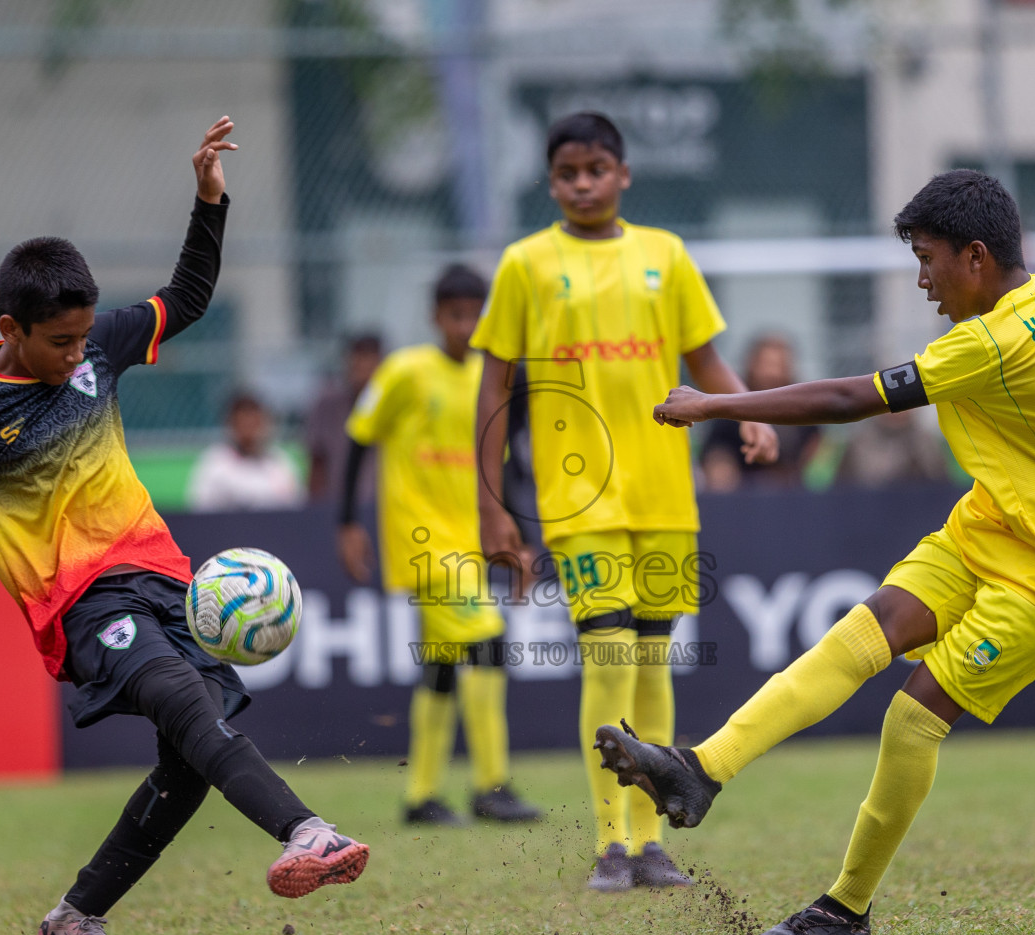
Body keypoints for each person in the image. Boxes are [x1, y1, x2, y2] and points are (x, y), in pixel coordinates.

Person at [594, 169, 1035, 935]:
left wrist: (715, 403)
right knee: (865, 630)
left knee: (911, 717)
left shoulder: (988, 343)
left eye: (928, 259)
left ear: (975, 256)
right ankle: (701, 768)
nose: (922, 280)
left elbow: (846, 401)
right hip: (995, 522)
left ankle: (842, 909)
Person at [0, 118, 368, 935]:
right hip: (80, 603)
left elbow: (189, 297)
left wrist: (209, 202)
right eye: (59, 341)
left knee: (188, 761)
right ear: (9, 325)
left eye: (84, 337)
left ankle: (73, 920)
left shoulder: (96, 355)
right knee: (181, 702)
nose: (76, 353)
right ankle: (305, 832)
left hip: (166, 581)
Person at [472, 111, 779, 892]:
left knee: (651, 661)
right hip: (580, 498)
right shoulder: (526, 264)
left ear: (623, 175)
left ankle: (649, 843)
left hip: (666, 493)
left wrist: (750, 411)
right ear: (550, 182)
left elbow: (705, 356)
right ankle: (610, 843)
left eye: (596, 170)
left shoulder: (665, 256)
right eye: (568, 173)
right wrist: (493, 502)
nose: (582, 184)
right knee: (606, 658)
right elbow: (493, 387)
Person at [339, 264, 543, 826]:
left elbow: (507, 468)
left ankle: (421, 794)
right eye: (457, 314)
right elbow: (359, 439)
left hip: (470, 542)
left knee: (442, 671)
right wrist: (348, 522)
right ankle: (491, 786)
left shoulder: (494, 381)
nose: (467, 325)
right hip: (423, 540)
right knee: (490, 645)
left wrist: (517, 537)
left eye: (477, 314)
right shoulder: (405, 371)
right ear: (435, 316)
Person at [700, 333, 819, 491]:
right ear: (752, 365)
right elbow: (716, 457)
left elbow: (818, 456)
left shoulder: (805, 408)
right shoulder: (730, 407)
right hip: (743, 496)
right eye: (766, 364)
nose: (772, 373)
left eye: (779, 365)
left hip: (794, 495)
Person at [187, 391, 305, 511]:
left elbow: (297, 506)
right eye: (243, 423)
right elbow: (201, 509)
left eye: (255, 422)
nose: (250, 429)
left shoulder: (280, 461)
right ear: (231, 425)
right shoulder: (215, 462)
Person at [306, 331, 382, 504]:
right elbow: (316, 465)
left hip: (384, 509)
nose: (363, 369)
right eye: (358, 360)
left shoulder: (396, 407)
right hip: (336, 508)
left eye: (370, 362)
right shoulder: (327, 406)